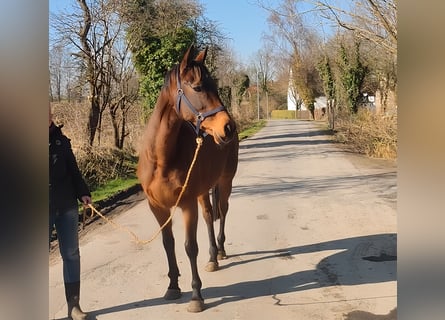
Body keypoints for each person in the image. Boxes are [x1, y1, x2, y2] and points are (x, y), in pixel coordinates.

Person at [49, 106, 92, 320]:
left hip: (66, 205)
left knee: (71, 255)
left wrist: (83, 193)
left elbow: (74, 171)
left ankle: (74, 306)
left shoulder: (62, 142)